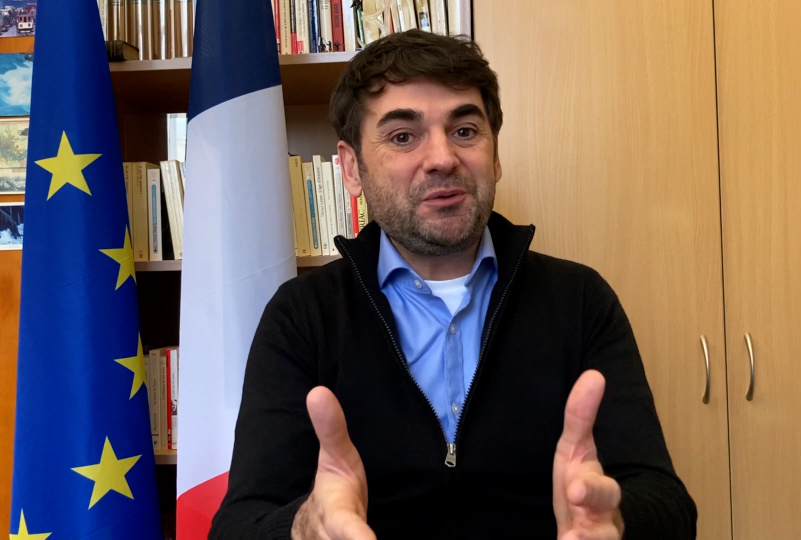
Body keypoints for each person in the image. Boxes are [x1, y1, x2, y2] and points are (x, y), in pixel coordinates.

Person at [209, 29, 697, 540]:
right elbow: (238, 526)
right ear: (351, 168)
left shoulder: (580, 301)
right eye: (403, 135)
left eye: (465, 130)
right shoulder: (301, 316)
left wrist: (614, 521)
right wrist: (305, 527)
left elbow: (669, 506)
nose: (442, 157)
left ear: (496, 153)